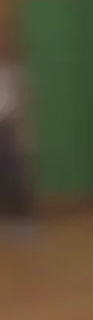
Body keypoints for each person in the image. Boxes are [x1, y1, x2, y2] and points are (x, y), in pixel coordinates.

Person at [0, 35, 34, 234]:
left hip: (6, 125)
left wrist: (23, 130)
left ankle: (22, 219)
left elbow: (22, 101)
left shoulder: (14, 72)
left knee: (13, 172)